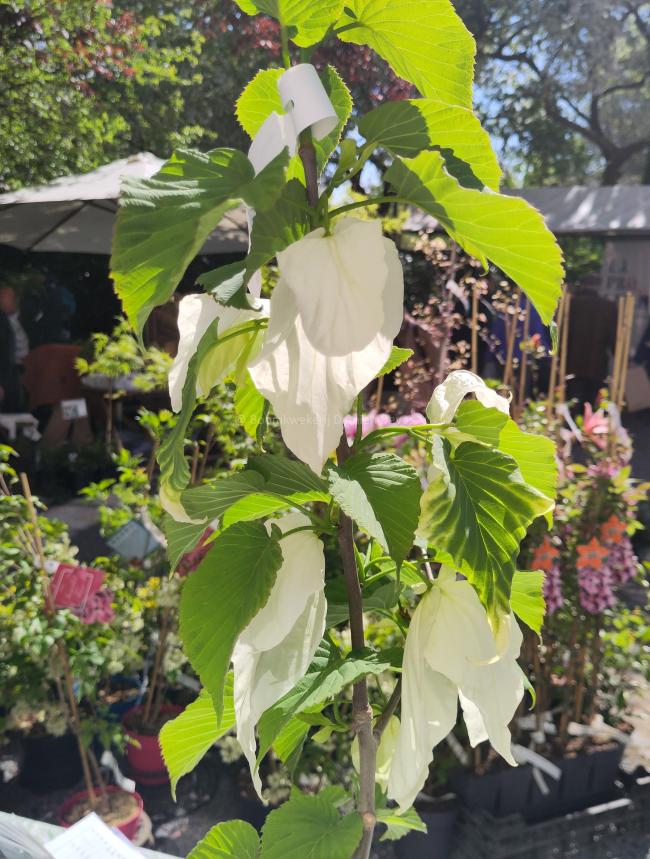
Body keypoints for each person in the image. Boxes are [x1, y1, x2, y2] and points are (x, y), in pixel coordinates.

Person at [565, 274, 618, 405]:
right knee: (592, 402)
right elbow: (614, 338)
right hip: (597, 363)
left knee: (573, 400)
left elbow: (561, 333)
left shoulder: (571, 304)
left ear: (582, 285)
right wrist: (620, 358)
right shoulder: (609, 307)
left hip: (572, 362)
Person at [0, 285, 28, 412]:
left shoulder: (15, 320)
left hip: (13, 378)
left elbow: (22, 353)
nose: (4, 299)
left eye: (8, 296)